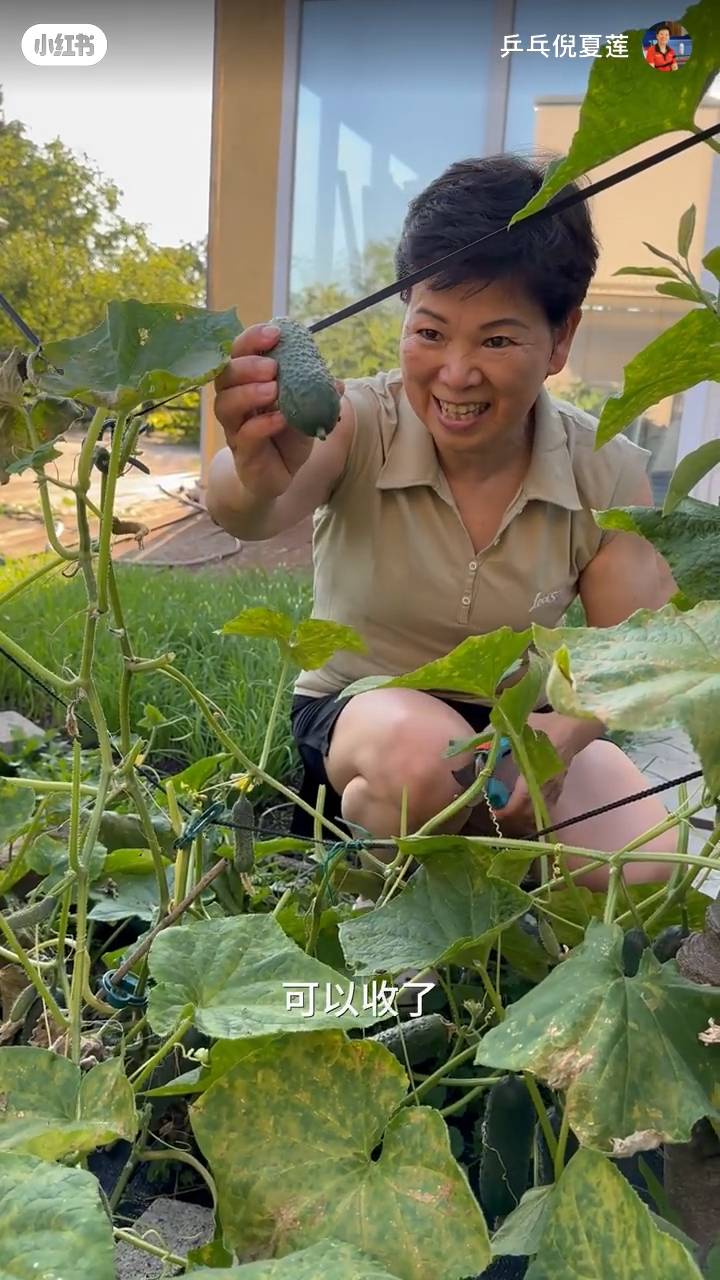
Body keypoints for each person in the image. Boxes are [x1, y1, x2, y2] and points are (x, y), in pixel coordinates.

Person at [207, 153, 679, 894]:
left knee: (647, 864)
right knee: (427, 764)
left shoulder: (608, 468)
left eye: (496, 340)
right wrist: (249, 465)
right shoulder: (360, 420)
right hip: (365, 718)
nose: (456, 374)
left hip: (519, 730)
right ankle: (380, 889)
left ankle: (471, 865)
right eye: (430, 332)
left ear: (560, 340)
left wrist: (563, 735)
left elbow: (630, 658)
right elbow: (249, 508)